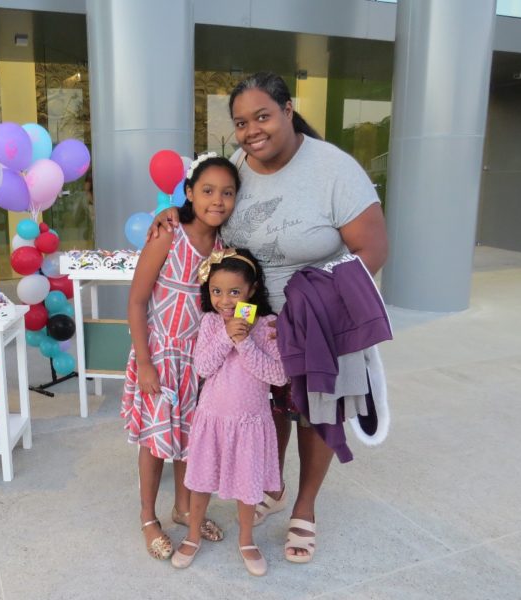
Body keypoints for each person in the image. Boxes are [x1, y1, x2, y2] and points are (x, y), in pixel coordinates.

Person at [148, 71, 389, 563]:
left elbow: (374, 250)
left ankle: (304, 508)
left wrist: (312, 303)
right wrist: (173, 214)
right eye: (241, 123)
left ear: (288, 110)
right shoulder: (238, 164)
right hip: (253, 313)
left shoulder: (334, 169)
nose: (251, 131)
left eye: (262, 116)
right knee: (267, 405)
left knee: (316, 412)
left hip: (319, 318)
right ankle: (270, 487)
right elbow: (209, 206)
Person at [123, 153, 239, 559]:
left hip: (201, 361)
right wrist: (145, 363)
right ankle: (147, 517)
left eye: (227, 192)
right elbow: (136, 302)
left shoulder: (225, 249)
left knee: (191, 439)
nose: (217, 200)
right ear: (189, 193)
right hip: (161, 357)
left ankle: (184, 508)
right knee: (155, 441)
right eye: (207, 190)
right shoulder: (169, 235)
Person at [171, 248, 287, 577]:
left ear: (251, 290)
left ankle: (247, 539)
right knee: (201, 481)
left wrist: (245, 341)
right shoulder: (211, 322)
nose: (224, 300)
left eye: (234, 292)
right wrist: (226, 335)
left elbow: (278, 376)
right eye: (216, 291)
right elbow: (203, 367)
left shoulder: (267, 325)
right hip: (213, 419)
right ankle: (193, 534)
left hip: (250, 422)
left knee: (247, 484)